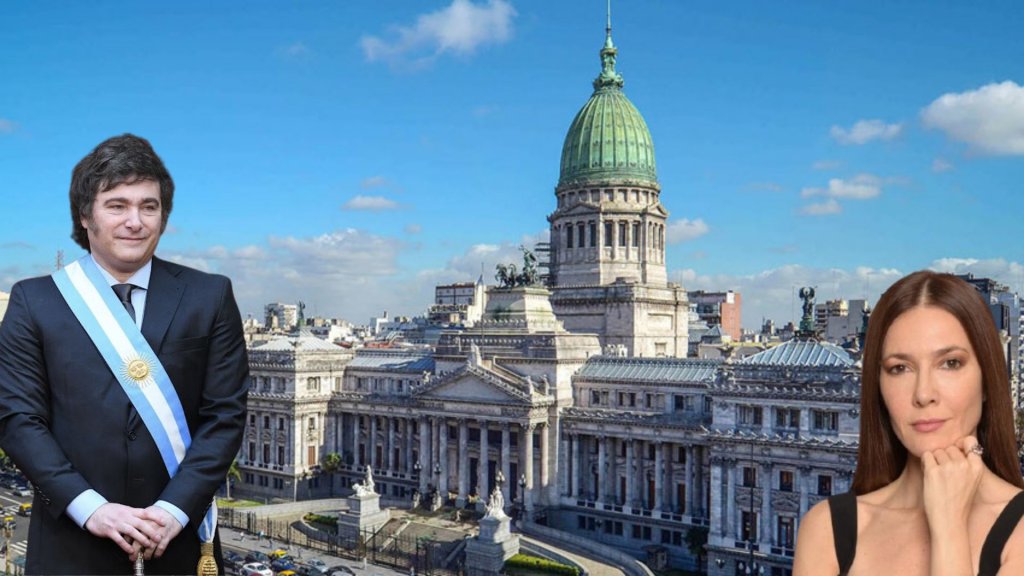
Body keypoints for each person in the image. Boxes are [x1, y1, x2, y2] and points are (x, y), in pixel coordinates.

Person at [0, 134, 249, 574]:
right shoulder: (33, 301)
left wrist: (173, 510)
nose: (135, 221)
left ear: (163, 216)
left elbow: (224, 416)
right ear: (85, 215)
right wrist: (89, 507)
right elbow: (18, 418)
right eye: (117, 205)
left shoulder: (210, 295)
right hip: (70, 543)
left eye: (148, 206)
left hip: (177, 541)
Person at [794, 271, 1024, 576]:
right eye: (900, 368)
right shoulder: (827, 529)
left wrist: (949, 527)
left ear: (986, 381)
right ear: (879, 387)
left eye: (950, 363)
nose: (923, 394)